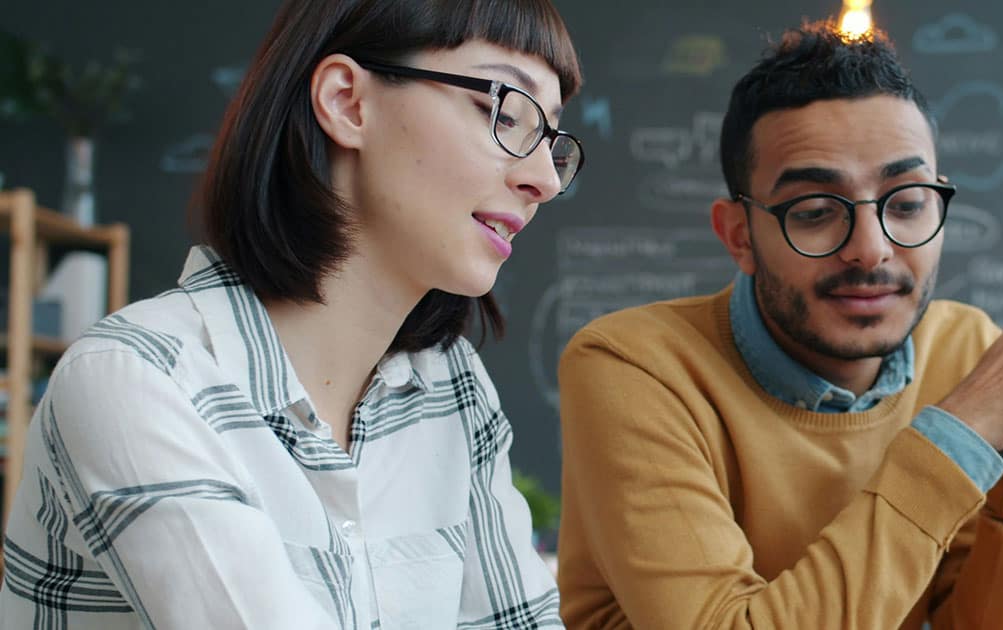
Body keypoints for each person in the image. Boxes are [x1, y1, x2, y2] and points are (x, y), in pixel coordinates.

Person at [556, 21, 1003, 629]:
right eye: (814, 211)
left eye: (907, 203)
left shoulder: (967, 350)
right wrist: (968, 426)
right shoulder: (634, 366)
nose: (871, 249)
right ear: (739, 235)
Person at [0, 1, 583, 627]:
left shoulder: (451, 387)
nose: (546, 181)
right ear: (347, 102)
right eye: (505, 113)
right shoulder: (138, 379)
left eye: (551, 140)